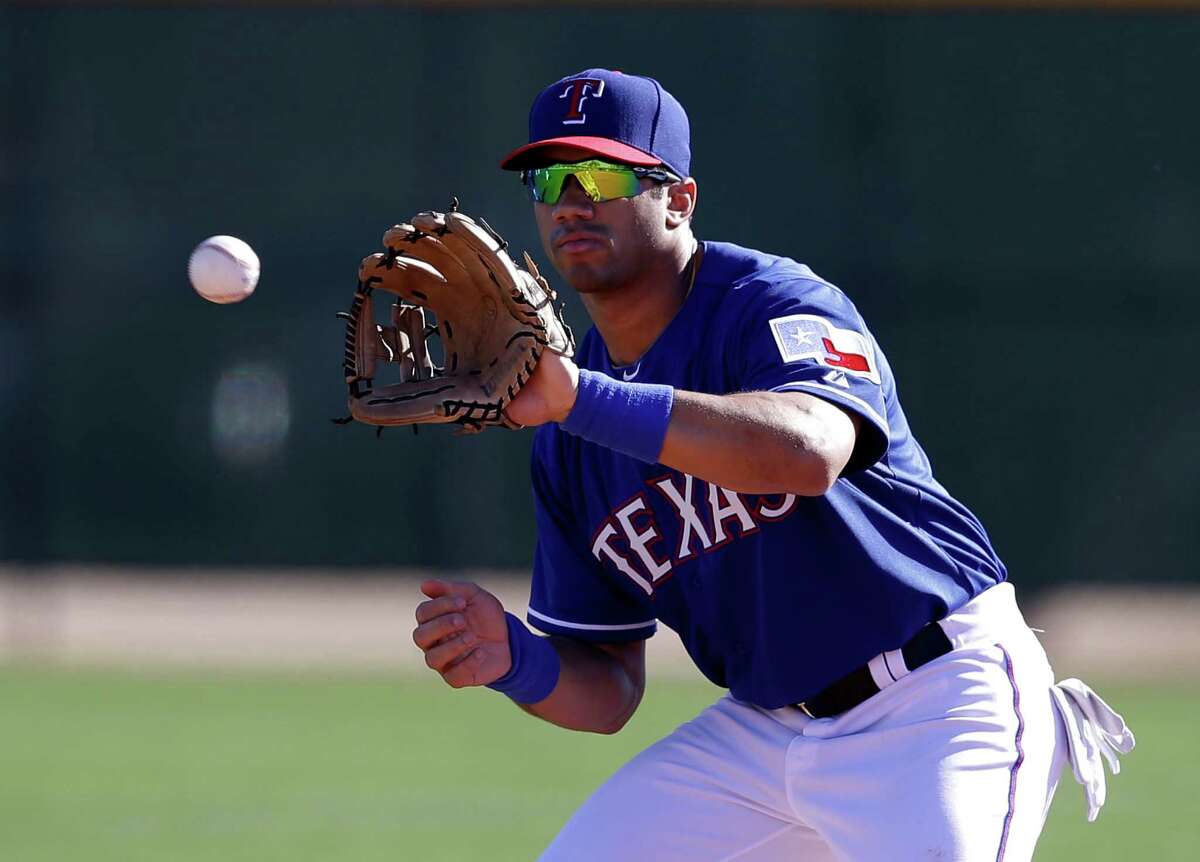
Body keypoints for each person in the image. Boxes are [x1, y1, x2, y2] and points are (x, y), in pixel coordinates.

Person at [411, 69, 1133, 861]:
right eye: (549, 179)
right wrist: (515, 659)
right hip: (762, 735)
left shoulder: (769, 303)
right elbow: (609, 686)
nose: (573, 199)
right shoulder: (564, 430)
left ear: (679, 198)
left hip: (936, 699)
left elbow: (807, 452)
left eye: (604, 172)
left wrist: (581, 400)